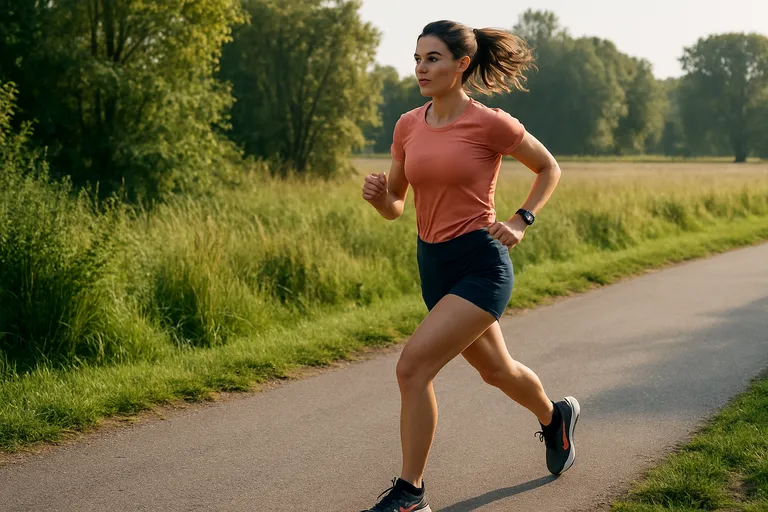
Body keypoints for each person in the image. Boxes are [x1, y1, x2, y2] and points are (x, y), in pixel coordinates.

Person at [360, 20, 580, 512]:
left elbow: (548, 167)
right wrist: (379, 199)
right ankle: (554, 417)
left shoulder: (490, 123)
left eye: (432, 58)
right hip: (434, 266)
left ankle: (410, 493)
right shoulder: (407, 125)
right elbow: (397, 202)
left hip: (481, 264)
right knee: (498, 371)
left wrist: (522, 219)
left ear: (462, 64)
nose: (421, 68)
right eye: (417, 58)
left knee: (413, 368)